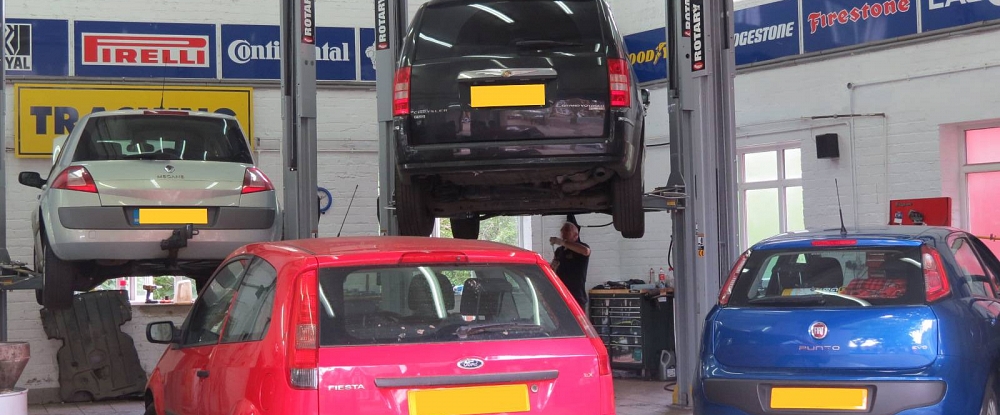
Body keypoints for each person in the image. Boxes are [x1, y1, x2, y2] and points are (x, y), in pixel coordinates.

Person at [549, 214, 591, 309]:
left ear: (576, 235)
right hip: (561, 295)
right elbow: (553, 269)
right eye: (562, 230)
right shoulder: (559, 251)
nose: (563, 233)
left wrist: (563, 242)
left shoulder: (581, 247)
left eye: (567, 230)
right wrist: (552, 267)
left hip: (576, 296)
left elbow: (586, 251)